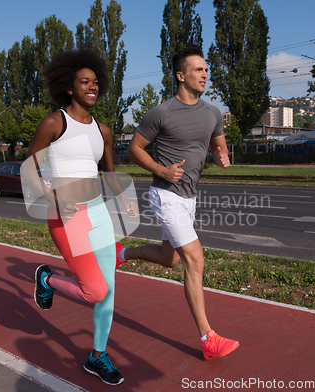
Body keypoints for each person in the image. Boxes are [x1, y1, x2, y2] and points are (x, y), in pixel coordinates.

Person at [23, 48, 136, 386]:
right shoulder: (55, 122)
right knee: (94, 290)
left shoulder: (103, 131)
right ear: (69, 88)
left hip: (98, 212)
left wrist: (125, 200)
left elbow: (110, 174)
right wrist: (54, 198)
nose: (92, 86)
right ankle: (48, 280)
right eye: (84, 82)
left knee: (110, 289)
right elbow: (29, 169)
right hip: (66, 217)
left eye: (96, 82)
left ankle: (97, 356)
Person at [119, 45, 239, 360]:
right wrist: (161, 169)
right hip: (165, 194)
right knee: (195, 259)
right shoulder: (160, 113)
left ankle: (123, 253)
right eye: (198, 69)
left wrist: (221, 155)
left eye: (205, 69)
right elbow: (134, 150)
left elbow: (218, 144)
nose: (204, 74)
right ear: (180, 75)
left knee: (170, 259)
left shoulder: (212, 112)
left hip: (189, 198)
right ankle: (208, 339)